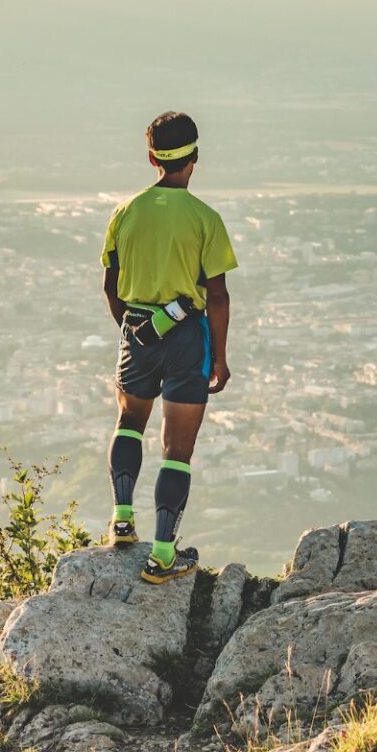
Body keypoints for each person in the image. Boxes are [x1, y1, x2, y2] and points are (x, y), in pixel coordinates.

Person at [100, 111, 237, 584]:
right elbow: (216, 295)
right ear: (196, 156)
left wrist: (134, 329)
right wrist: (218, 357)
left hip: (137, 330)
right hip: (186, 338)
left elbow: (110, 286)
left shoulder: (126, 212)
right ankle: (162, 555)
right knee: (177, 450)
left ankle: (121, 521)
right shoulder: (205, 220)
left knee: (129, 423)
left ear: (152, 156)